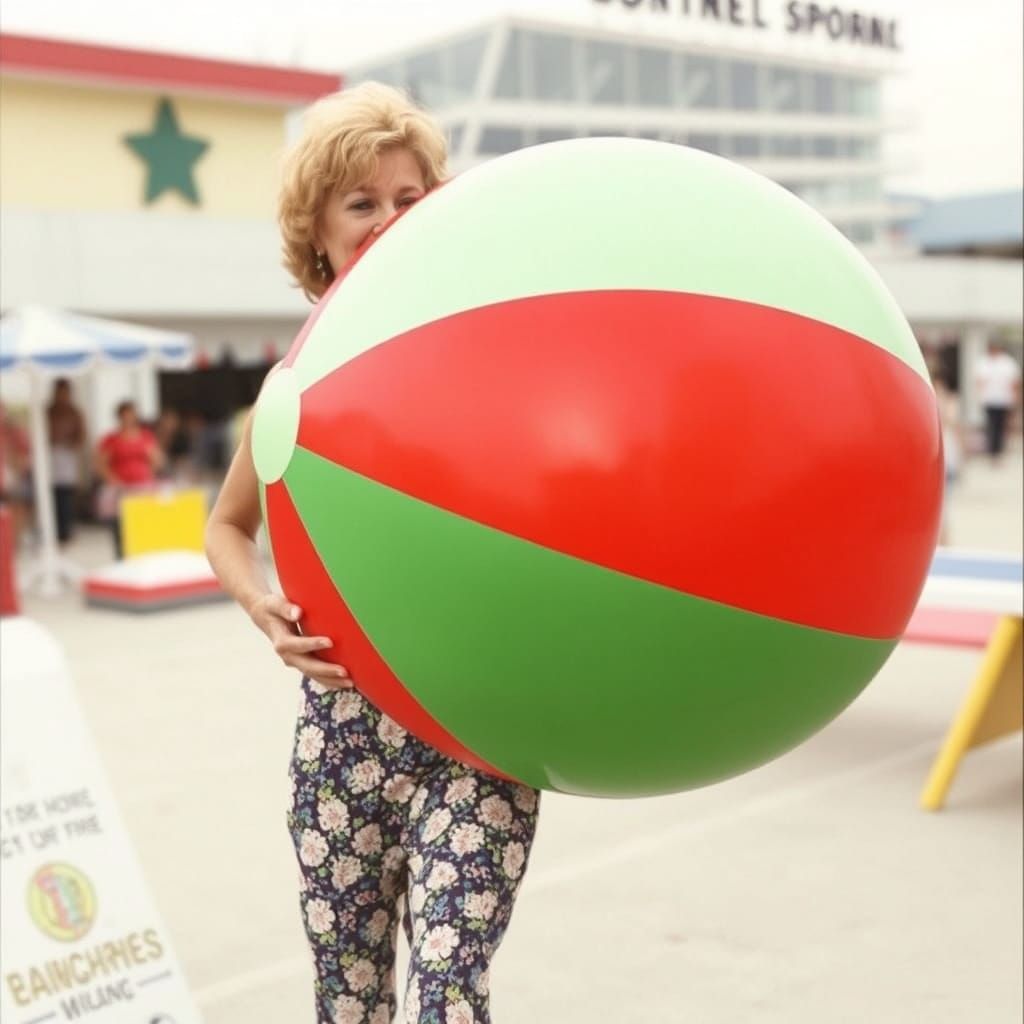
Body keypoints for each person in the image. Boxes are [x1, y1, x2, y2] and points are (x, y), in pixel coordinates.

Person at [205, 83, 540, 1024]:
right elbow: (224, 524)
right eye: (364, 203)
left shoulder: (494, 353)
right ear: (317, 233)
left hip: (474, 734)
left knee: (446, 998)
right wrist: (261, 604)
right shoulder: (298, 387)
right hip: (340, 747)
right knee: (347, 1006)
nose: (391, 220)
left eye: (410, 197)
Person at [94, 400, 164, 557]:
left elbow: (157, 459)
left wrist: (147, 474)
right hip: (121, 488)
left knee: (143, 526)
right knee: (121, 527)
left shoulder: (145, 436)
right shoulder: (111, 439)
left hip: (142, 487)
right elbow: (100, 463)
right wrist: (112, 479)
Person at [47, 378, 85, 545]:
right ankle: (53, 530)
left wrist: (71, 444)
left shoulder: (74, 412)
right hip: (50, 456)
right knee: (52, 495)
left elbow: (81, 435)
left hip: (67, 456)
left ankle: (66, 530)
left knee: (66, 495)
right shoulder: (48, 411)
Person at [931, 366, 966, 546]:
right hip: (938, 459)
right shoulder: (930, 402)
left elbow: (955, 428)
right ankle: (941, 543)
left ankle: (943, 544)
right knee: (939, 509)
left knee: (944, 509)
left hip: (947, 459)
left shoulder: (947, 403)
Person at [974, 341, 1021, 464]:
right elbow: (979, 381)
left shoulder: (1007, 363)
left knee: (1000, 425)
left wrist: (1014, 397)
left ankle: (998, 450)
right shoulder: (984, 362)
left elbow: (1014, 382)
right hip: (989, 399)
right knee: (991, 425)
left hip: (1003, 399)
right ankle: (992, 450)